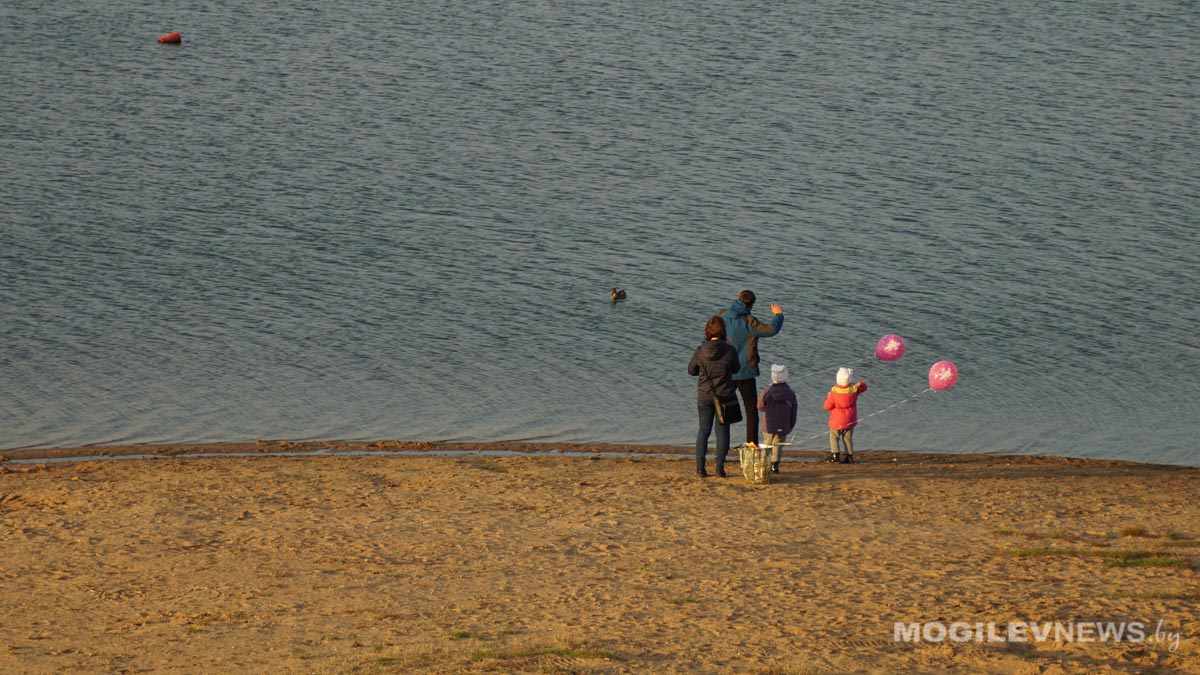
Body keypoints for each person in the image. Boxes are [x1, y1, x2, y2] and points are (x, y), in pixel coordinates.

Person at [719, 290, 784, 446]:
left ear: (738, 299)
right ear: (752, 305)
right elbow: (771, 330)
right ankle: (752, 444)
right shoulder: (749, 322)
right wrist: (778, 315)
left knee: (723, 410)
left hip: (726, 371)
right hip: (746, 372)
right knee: (751, 410)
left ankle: (722, 446)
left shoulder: (722, 316)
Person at [688, 315, 740, 477]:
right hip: (724, 394)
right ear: (723, 331)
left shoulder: (700, 351)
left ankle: (700, 468)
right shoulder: (729, 350)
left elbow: (691, 370)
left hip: (704, 394)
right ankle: (719, 468)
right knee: (722, 431)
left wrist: (703, 371)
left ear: (708, 331)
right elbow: (736, 369)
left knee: (703, 430)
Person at [757, 364, 797, 474]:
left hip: (768, 424)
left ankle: (766, 463)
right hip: (783, 424)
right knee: (778, 445)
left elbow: (760, 406)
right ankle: (775, 464)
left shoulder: (767, 391)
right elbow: (794, 411)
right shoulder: (790, 393)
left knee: (767, 444)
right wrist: (791, 425)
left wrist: (766, 409)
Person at [824, 367, 868, 464]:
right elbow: (864, 387)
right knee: (847, 438)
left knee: (834, 436)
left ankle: (835, 455)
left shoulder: (834, 392)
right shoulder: (853, 390)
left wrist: (827, 398)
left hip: (837, 421)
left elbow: (827, 407)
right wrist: (860, 383)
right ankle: (849, 456)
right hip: (850, 420)